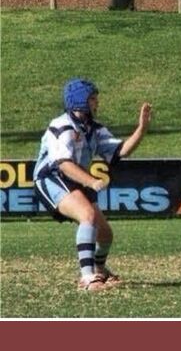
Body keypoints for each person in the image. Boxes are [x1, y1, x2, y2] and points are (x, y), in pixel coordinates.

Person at [33, 78, 152, 291]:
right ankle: (87, 279)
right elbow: (64, 165)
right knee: (87, 215)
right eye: (93, 99)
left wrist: (141, 129)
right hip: (51, 178)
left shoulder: (94, 129)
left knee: (105, 234)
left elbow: (120, 151)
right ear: (80, 101)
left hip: (74, 179)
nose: (97, 103)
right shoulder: (62, 126)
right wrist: (91, 181)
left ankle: (100, 270)